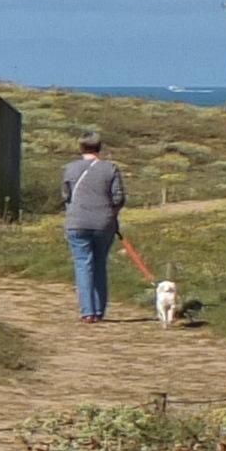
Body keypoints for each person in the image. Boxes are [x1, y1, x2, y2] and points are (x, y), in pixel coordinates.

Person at [59, 128, 126, 321]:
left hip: (77, 222)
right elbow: (119, 198)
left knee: (83, 264)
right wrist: (112, 215)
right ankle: (98, 311)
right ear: (100, 147)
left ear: (81, 147)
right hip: (104, 222)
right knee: (99, 265)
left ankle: (87, 312)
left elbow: (65, 195)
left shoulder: (70, 168)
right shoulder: (111, 168)